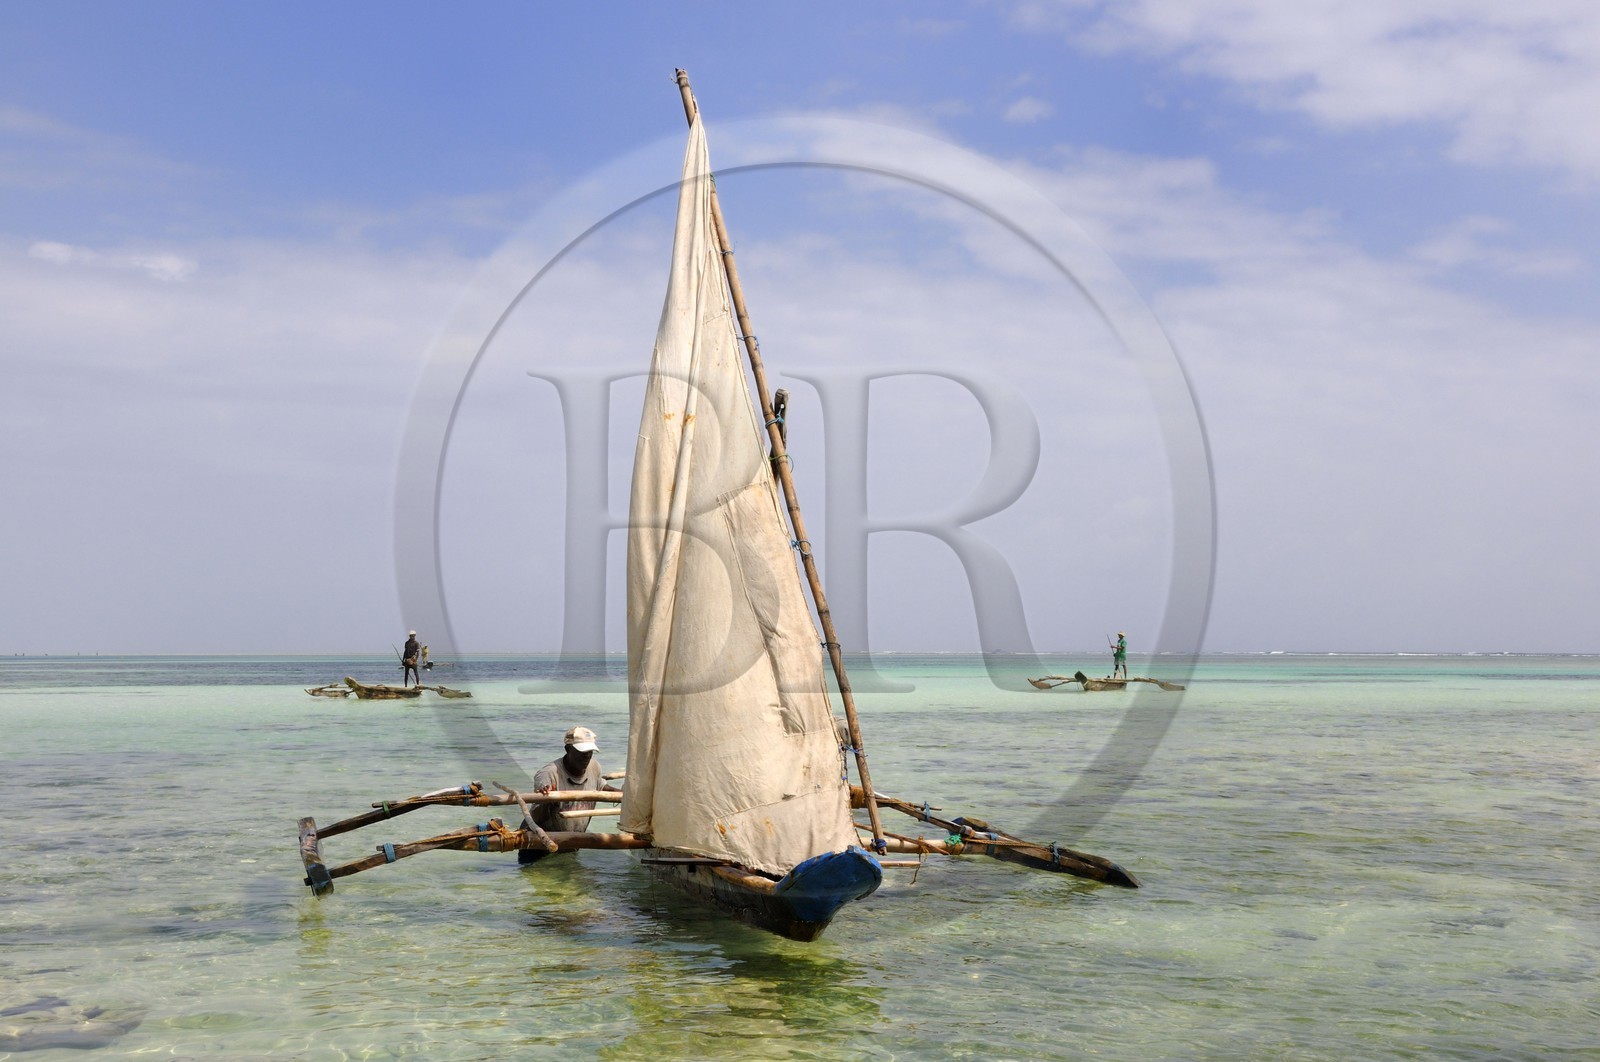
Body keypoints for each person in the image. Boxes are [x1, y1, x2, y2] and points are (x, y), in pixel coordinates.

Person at [518, 726, 621, 864]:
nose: (587, 756)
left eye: (590, 751)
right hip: (539, 844)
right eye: (582, 751)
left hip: (569, 845)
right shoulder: (548, 775)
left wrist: (625, 796)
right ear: (568, 749)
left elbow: (601, 786)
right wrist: (547, 800)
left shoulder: (594, 766)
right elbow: (537, 817)